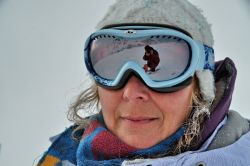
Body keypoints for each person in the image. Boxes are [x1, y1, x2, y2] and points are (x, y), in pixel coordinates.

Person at [37, 0, 250, 166]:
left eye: (163, 68)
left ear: (201, 84)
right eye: (112, 67)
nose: (131, 91)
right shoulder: (62, 158)